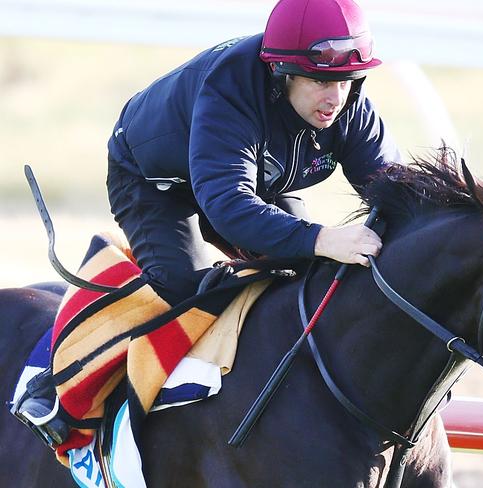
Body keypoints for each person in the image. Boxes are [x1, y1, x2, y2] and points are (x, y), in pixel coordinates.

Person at [14, 0, 400, 444]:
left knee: (303, 273)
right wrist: (322, 237)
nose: (335, 99)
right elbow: (229, 206)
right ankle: (53, 382)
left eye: (346, 81)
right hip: (154, 177)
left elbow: (395, 192)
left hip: (249, 178)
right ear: (283, 73)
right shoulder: (232, 86)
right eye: (318, 81)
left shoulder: (349, 103)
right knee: (184, 285)